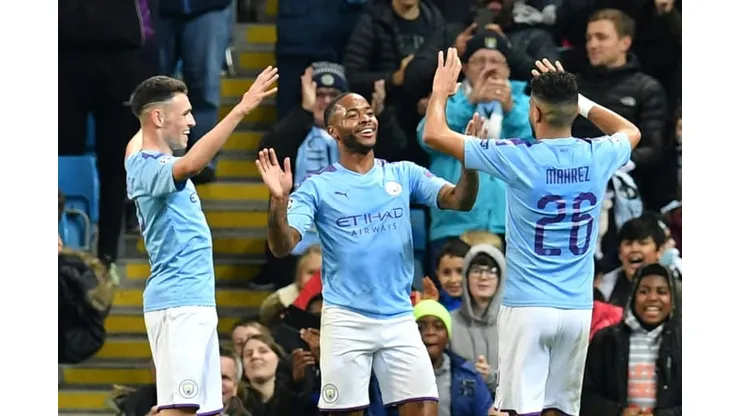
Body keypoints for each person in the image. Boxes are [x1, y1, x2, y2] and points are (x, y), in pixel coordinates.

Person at [421, 49, 641, 416]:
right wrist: (580, 102)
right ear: (571, 110)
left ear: (534, 113)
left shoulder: (517, 155)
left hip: (528, 307)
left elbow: (433, 134)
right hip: (577, 309)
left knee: (517, 411)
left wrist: (441, 91)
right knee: (559, 410)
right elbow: (631, 131)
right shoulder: (597, 153)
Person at [256, 91, 481, 415]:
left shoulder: (403, 173)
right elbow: (282, 246)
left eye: (368, 112)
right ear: (333, 131)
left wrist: (469, 166)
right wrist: (278, 201)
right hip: (346, 318)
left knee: (423, 407)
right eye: (352, 114)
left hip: (400, 315)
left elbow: (460, 200)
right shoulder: (317, 186)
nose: (365, 118)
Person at [124, 67, 279, 416]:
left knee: (200, 410)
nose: (192, 122)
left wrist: (148, 104)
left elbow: (144, 129)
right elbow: (192, 164)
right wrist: (241, 108)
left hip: (194, 300)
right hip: (179, 302)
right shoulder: (147, 167)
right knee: (180, 408)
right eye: (186, 113)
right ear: (158, 118)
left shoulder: (140, 156)